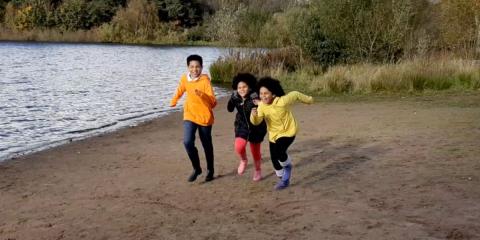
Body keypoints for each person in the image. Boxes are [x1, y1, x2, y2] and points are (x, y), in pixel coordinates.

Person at [250, 77, 313, 190]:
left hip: (288, 132)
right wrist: (254, 115)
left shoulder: (282, 101)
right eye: (261, 93)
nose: (263, 96)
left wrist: (308, 100)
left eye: (266, 93)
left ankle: (288, 167)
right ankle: (283, 180)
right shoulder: (262, 106)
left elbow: (295, 94)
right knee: (274, 160)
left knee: (280, 151)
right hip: (274, 135)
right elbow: (257, 121)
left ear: (273, 94)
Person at [170, 54, 217, 182]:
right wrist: (174, 100)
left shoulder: (205, 81)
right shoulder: (185, 79)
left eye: (197, 67)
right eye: (192, 67)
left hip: (204, 116)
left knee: (206, 145)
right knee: (187, 142)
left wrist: (202, 95)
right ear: (188, 67)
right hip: (189, 115)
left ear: (201, 67)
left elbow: (213, 102)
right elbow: (180, 89)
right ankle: (197, 168)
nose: (194, 69)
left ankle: (210, 170)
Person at [227, 73, 267, 181]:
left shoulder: (255, 96)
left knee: (255, 152)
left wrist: (261, 104)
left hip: (256, 126)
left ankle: (258, 170)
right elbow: (229, 109)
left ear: (249, 87)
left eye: (244, 87)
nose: (242, 89)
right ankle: (244, 160)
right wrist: (232, 99)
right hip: (242, 124)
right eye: (239, 87)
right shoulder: (236, 97)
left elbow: (267, 107)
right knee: (239, 146)